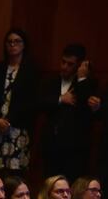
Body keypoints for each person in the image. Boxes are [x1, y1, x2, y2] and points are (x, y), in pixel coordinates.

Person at [39, 44, 100, 180]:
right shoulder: (51, 81)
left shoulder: (89, 84)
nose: (64, 67)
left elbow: (89, 110)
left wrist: (82, 79)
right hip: (51, 145)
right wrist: (60, 99)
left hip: (74, 150)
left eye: (70, 64)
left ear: (79, 65)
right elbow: (39, 102)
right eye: (63, 62)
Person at [0, 28, 37, 176]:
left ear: (24, 45)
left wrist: (9, 121)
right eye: (9, 42)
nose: (13, 45)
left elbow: (31, 101)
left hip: (16, 128)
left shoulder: (30, 70)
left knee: (14, 173)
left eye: (17, 41)